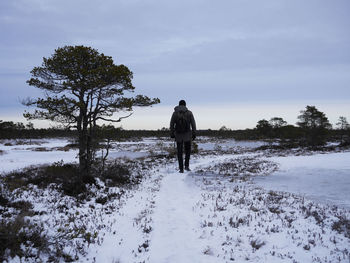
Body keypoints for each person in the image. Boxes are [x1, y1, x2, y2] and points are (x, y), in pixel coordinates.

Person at [170, 100, 196, 173]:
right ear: (185, 105)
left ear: (179, 105)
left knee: (179, 152)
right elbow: (193, 124)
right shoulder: (189, 113)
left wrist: (172, 134)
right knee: (187, 151)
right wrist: (194, 134)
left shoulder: (175, 113)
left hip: (178, 135)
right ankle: (186, 166)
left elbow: (171, 124)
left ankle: (181, 169)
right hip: (187, 135)